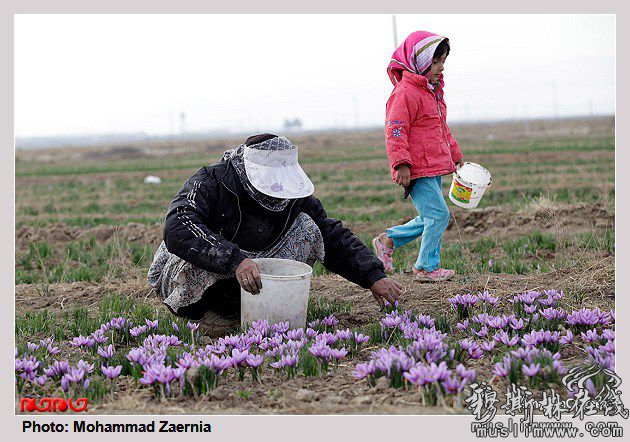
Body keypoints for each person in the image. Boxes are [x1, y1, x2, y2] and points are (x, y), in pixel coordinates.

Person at [148, 133, 403, 330]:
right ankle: (204, 315)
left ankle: (249, 311)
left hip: (253, 271)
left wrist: (372, 275)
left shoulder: (292, 194)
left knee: (308, 228)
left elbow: (330, 234)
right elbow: (178, 225)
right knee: (196, 243)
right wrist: (234, 259)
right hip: (212, 264)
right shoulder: (212, 181)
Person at [372, 31, 464, 283]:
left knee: (429, 216)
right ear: (420, 61)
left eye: (443, 61)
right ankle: (426, 267)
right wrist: (401, 163)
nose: (440, 67)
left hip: (432, 166)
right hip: (416, 168)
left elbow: (442, 129)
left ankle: (387, 240)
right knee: (439, 215)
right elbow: (396, 130)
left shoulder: (430, 92)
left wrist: (456, 156)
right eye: (435, 62)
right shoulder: (406, 93)